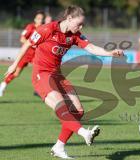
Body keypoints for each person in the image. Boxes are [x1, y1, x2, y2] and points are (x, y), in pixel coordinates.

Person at [5, 5, 124, 159]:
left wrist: (109, 53)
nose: (80, 27)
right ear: (69, 18)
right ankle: (84, 133)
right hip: (42, 74)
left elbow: (91, 47)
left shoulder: (75, 35)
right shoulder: (48, 29)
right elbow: (28, 43)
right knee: (61, 105)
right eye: (79, 24)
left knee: (78, 110)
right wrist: (15, 64)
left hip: (57, 75)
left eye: (82, 24)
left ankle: (59, 147)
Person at [0, 11, 45, 97]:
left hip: (36, 55)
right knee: (16, 73)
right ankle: (3, 85)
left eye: (41, 19)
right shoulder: (30, 27)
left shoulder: (43, 28)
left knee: (40, 70)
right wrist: (32, 44)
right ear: (35, 19)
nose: (40, 20)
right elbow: (22, 39)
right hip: (26, 53)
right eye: (38, 18)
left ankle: (39, 90)